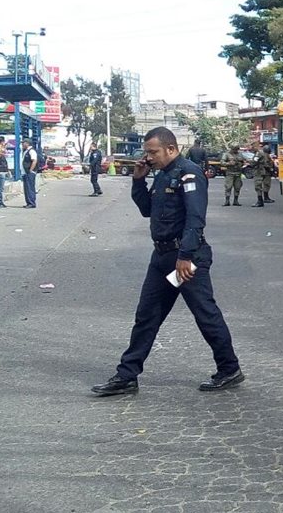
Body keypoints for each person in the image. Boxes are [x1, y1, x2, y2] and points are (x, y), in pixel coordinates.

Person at [91, 126, 243, 396]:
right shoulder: (161, 175)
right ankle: (127, 375)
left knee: (205, 314)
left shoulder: (189, 173)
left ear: (171, 149)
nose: (148, 157)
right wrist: (139, 181)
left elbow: (196, 219)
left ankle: (229, 368)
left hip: (186, 259)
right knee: (146, 316)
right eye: (147, 153)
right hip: (162, 257)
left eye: (153, 152)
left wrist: (185, 256)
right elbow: (147, 210)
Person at [250, 140, 275, 207]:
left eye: (253, 147)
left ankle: (260, 201)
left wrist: (250, 162)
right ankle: (263, 199)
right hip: (263, 171)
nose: (252, 148)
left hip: (258, 171)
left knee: (258, 186)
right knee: (264, 185)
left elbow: (253, 162)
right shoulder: (263, 153)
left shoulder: (258, 153)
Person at [20, 138, 39, 208]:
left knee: (30, 188)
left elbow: (34, 160)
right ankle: (28, 202)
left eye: (23, 143)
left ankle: (31, 203)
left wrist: (31, 170)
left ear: (27, 143)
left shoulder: (31, 151)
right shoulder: (26, 151)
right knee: (27, 188)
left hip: (29, 172)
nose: (22, 144)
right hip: (25, 172)